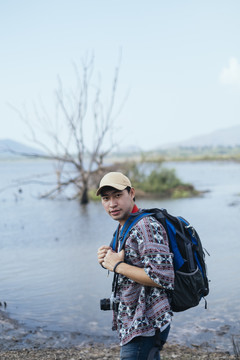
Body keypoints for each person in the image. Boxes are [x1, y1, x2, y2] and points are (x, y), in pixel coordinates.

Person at [97, 172, 174, 360]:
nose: (112, 204)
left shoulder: (146, 226)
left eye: (117, 196)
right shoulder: (125, 225)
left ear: (131, 193)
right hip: (135, 322)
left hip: (146, 324)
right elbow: (133, 264)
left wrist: (118, 266)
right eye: (106, 198)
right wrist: (108, 259)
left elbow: (163, 278)